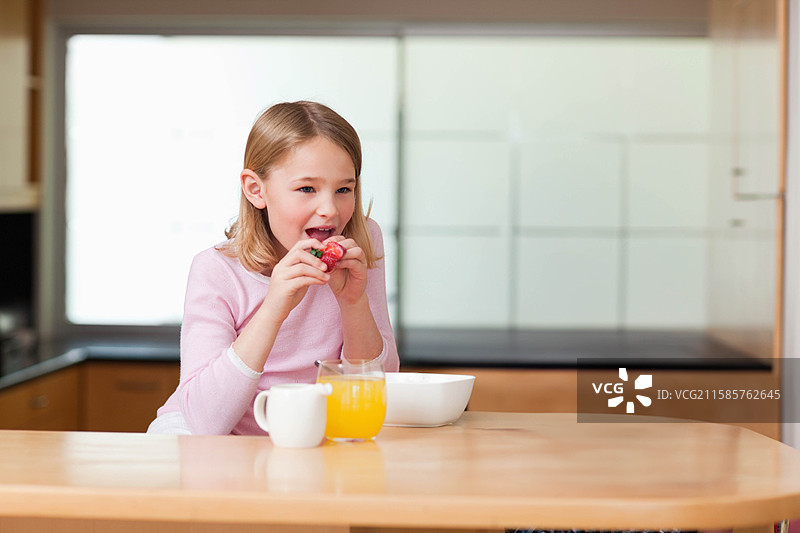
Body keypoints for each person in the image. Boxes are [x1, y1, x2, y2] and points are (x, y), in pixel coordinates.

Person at [148, 101, 399, 435]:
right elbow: (205, 423)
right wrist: (273, 309)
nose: (330, 210)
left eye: (344, 189)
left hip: (317, 430)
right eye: (307, 188)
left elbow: (380, 388)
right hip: (215, 433)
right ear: (256, 189)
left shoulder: (361, 240)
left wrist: (354, 303)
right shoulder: (216, 270)